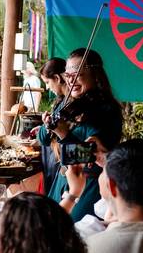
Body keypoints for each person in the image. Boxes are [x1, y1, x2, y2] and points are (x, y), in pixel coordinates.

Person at [47, 49, 123, 222]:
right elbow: (43, 139)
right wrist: (48, 126)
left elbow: (89, 154)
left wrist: (63, 134)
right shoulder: (68, 103)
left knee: (71, 231)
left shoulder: (106, 110)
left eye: (77, 74)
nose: (70, 80)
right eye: (67, 75)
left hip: (87, 183)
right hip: (63, 179)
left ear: (95, 75)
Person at [36, 58, 67, 195]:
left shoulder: (68, 103)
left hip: (62, 162)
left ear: (57, 78)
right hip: (56, 158)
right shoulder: (61, 103)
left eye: (48, 82)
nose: (47, 87)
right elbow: (43, 138)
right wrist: (46, 126)